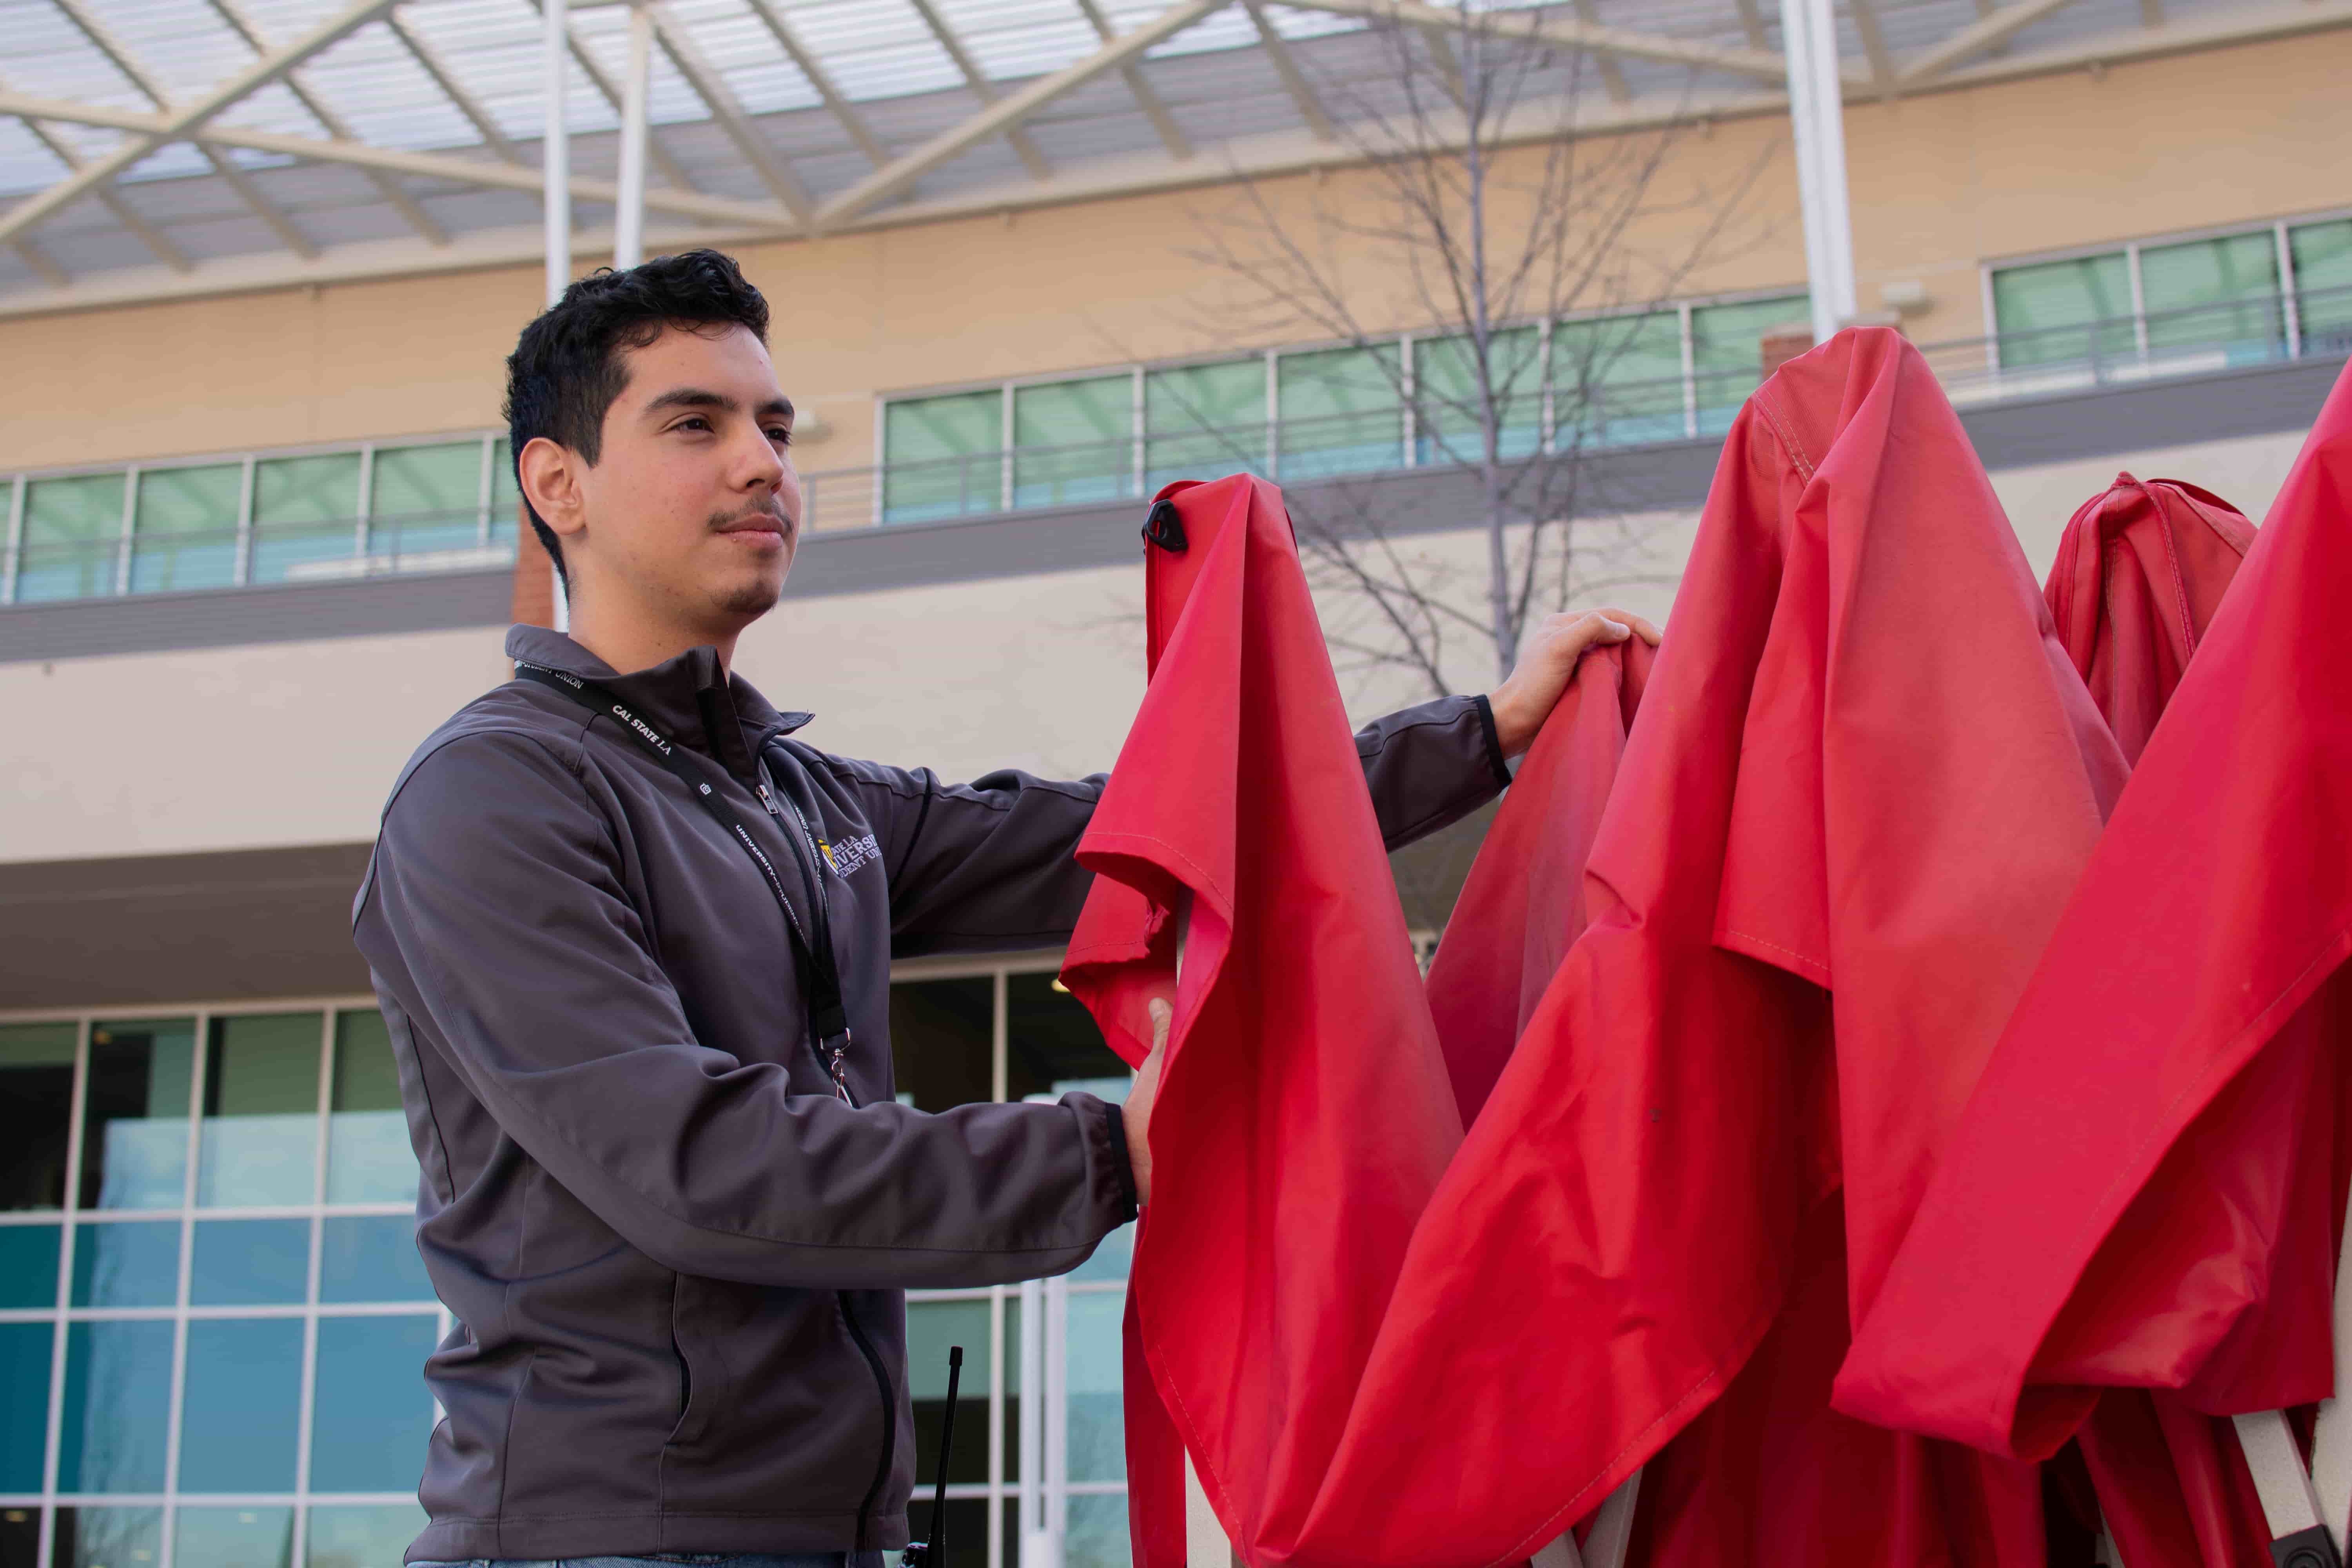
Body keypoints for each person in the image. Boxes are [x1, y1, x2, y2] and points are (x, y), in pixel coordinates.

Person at [352, 248, 1661, 1568]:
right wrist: (1112, 1153)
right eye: (695, 423)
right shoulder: (493, 800)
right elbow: (698, 1168)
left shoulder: (806, 799)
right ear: (556, 482)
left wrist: (1483, 733)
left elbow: (1130, 836)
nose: (762, 464)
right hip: (603, 1543)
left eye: (776, 427)